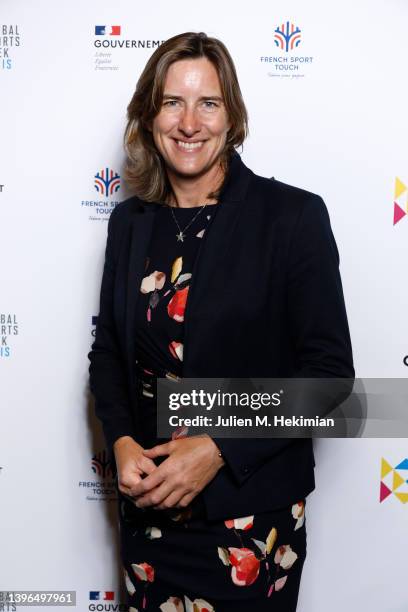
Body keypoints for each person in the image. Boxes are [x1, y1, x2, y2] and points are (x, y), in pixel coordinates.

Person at [88, 31, 354, 611]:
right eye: (172, 103)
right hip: (149, 520)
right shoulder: (130, 224)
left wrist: (217, 446)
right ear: (148, 115)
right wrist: (124, 439)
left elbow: (331, 379)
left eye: (207, 102)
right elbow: (108, 351)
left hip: (250, 523)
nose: (189, 123)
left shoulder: (291, 217)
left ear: (231, 115)